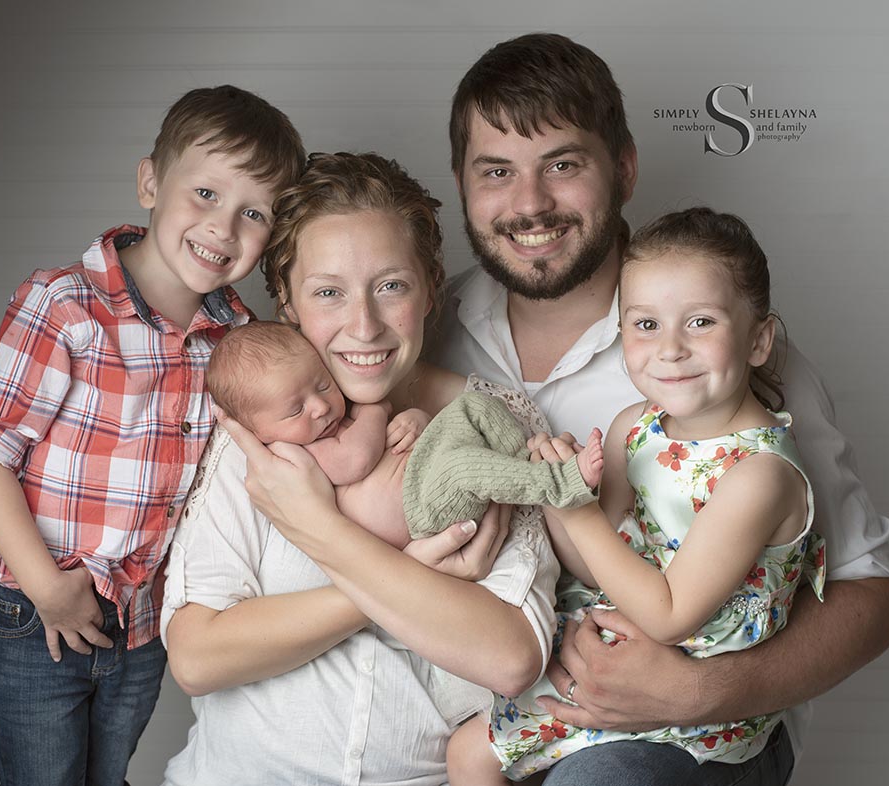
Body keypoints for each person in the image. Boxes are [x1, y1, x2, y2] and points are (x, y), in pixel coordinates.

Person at [427, 32, 889, 785]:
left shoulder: (736, 363)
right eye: (496, 171)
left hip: (697, 729)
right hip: (517, 682)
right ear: (461, 181)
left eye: (563, 164)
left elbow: (870, 597)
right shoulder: (422, 327)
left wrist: (699, 692)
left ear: (624, 168)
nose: (530, 203)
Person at [0, 85, 305, 786]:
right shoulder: (64, 306)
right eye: (205, 193)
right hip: (38, 606)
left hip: (143, 621)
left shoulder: (237, 338)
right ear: (150, 183)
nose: (223, 228)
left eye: (253, 213)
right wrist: (47, 586)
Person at [159, 151, 559, 785]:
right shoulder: (261, 433)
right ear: (287, 302)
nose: (365, 326)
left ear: (430, 286)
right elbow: (199, 656)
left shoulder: (492, 421)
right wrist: (413, 575)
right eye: (328, 293)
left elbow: (510, 659)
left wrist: (321, 530)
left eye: (391, 286)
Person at [450, 207, 827, 783]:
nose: (670, 348)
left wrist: (577, 513)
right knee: (466, 751)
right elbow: (593, 564)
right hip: (610, 650)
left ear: (758, 340)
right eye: (646, 324)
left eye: (700, 322)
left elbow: (669, 615)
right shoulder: (636, 427)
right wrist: (553, 492)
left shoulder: (760, 475)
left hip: (691, 702)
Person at [206, 319, 603, 548]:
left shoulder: (328, 422)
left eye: (323, 385)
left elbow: (400, 441)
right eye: (295, 410)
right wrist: (376, 408)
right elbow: (358, 459)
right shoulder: (290, 453)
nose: (320, 407)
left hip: (425, 472)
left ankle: (522, 461)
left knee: (473, 405)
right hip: (419, 511)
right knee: (463, 467)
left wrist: (415, 418)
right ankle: (562, 482)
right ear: (258, 431)